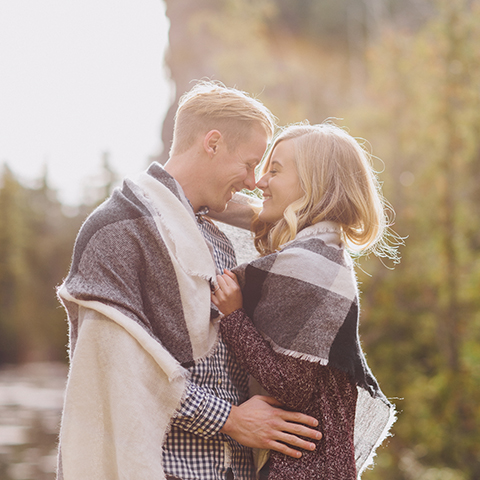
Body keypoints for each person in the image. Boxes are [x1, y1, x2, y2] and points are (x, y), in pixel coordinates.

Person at [56, 82, 321, 480]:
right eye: (249, 164)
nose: (252, 181)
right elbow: (120, 370)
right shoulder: (119, 228)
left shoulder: (217, 233)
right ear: (212, 143)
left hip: (233, 470)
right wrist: (229, 419)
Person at [211, 123, 399, 479]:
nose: (260, 182)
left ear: (313, 185)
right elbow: (254, 213)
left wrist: (233, 316)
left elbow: (291, 385)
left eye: (275, 171)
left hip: (303, 466)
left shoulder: (308, 265)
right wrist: (191, 193)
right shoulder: (322, 255)